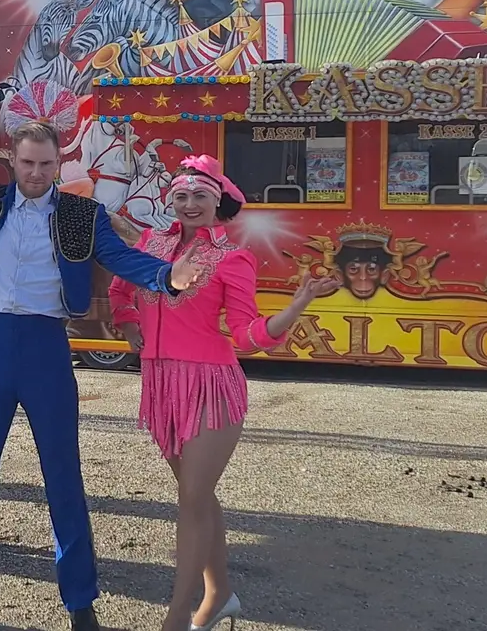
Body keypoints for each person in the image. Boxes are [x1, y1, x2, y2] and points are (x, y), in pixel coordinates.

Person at [0, 121, 203, 631]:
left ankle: (80, 606)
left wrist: (167, 277)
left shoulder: (79, 214)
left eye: (46, 165)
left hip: (47, 347)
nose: (36, 173)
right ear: (13, 160)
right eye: (28, 163)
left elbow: (119, 257)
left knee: (63, 480)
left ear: (57, 164)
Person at [107, 155, 339, 631]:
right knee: (199, 496)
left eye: (200, 196)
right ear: (170, 200)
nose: (189, 204)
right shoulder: (151, 245)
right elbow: (119, 290)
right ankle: (219, 595)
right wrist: (131, 325)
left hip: (211, 384)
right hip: (160, 384)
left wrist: (298, 304)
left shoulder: (233, 259)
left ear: (218, 203)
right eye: (181, 195)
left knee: (192, 497)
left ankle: (176, 617)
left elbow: (249, 333)